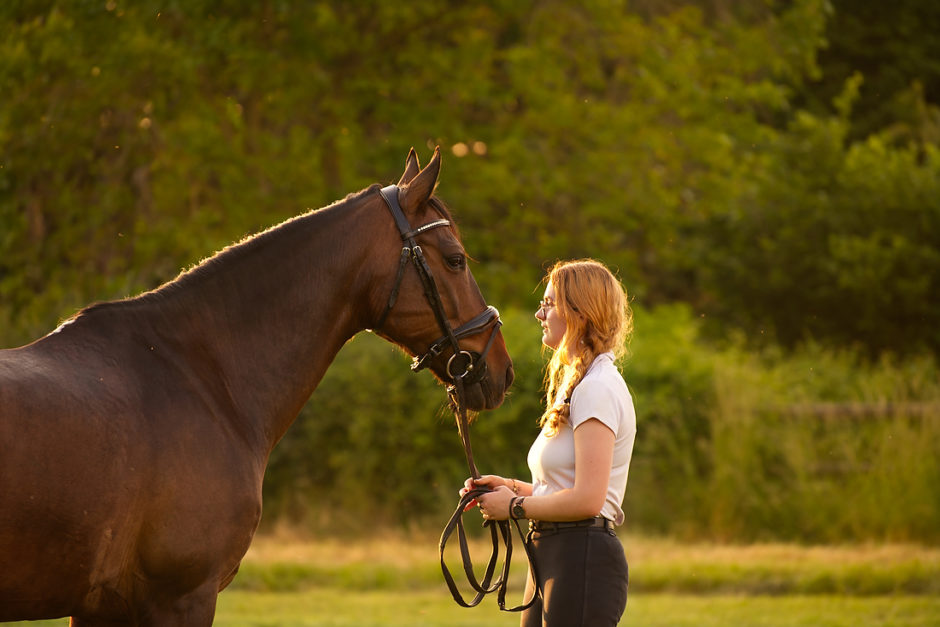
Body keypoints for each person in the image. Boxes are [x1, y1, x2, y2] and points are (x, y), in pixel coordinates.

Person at [460, 258, 636, 627]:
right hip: (553, 552)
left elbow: (589, 500)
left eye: (549, 303)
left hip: (581, 556)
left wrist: (515, 507)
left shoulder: (598, 388)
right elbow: (564, 490)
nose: (540, 313)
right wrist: (507, 488)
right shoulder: (580, 384)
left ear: (580, 313)